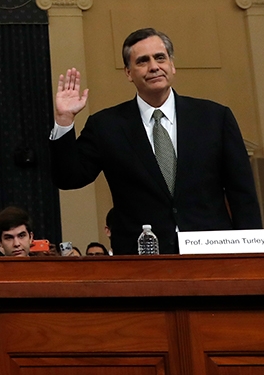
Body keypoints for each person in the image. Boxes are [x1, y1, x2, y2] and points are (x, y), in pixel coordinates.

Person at [50, 27, 262, 255]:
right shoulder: (106, 125)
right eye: (142, 61)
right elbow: (69, 178)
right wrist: (64, 120)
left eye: (160, 58)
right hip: (140, 261)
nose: (153, 67)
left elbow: (242, 195)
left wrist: (253, 258)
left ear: (172, 65)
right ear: (129, 73)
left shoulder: (214, 118)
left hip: (211, 254)